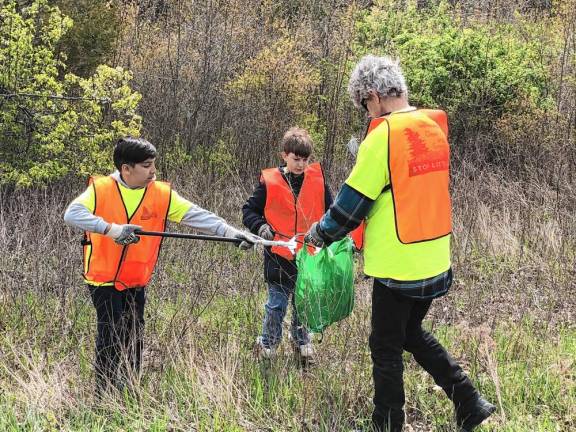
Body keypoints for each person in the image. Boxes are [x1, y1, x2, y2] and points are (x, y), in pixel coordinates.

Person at [304, 55, 495, 432]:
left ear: (374, 96)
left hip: (398, 266)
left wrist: (318, 234)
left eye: (364, 106)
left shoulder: (383, 138)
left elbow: (348, 208)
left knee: (385, 347)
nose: (366, 114)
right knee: (409, 334)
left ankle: (386, 424)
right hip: (435, 257)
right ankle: (469, 401)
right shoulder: (432, 127)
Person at [64, 137, 258, 396]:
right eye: (146, 166)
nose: (153, 171)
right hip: (104, 277)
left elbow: (197, 215)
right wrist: (112, 230)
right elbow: (72, 214)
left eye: (154, 164)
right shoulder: (101, 189)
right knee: (110, 333)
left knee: (134, 334)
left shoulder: (160, 193)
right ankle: (105, 391)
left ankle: (130, 386)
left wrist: (232, 233)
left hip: (136, 278)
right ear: (126, 169)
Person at [242, 127, 333, 362]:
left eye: (305, 160)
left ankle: (302, 343)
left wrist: (330, 237)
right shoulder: (270, 181)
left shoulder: (318, 181)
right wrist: (262, 229)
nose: (301, 165)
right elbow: (249, 211)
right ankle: (267, 346)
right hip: (278, 254)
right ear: (284, 156)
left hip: (310, 254)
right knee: (276, 305)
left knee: (304, 304)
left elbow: (332, 213)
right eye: (296, 159)